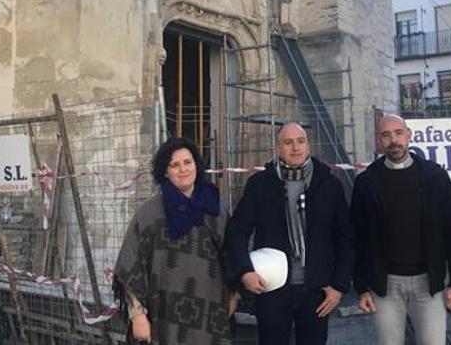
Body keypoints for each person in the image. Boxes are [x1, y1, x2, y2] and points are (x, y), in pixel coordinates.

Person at [225, 122, 355, 345]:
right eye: (288, 142)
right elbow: (237, 231)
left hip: (317, 290)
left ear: (308, 146)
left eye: (300, 141)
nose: (295, 147)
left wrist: (339, 287)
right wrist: (245, 272)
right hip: (272, 288)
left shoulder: (329, 184)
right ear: (277, 148)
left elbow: (346, 238)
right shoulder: (260, 185)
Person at [351, 113, 451, 345]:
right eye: (386, 135)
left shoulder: (435, 176)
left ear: (409, 135)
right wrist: (361, 288)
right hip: (385, 286)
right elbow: (357, 238)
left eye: (398, 133)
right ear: (378, 142)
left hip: (429, 284)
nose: (393, 140)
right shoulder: (366, 182)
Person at [113, 137, 237, 344]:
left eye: (188, 162)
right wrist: (138, 316)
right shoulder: (150, 213)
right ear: (164, 172)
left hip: (211, 317)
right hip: (163, 320)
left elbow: (232, 256)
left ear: (197, 164)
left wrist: (235, 297)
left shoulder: (216, 209)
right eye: (175, 165)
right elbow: (130, 266)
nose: (183, 170)